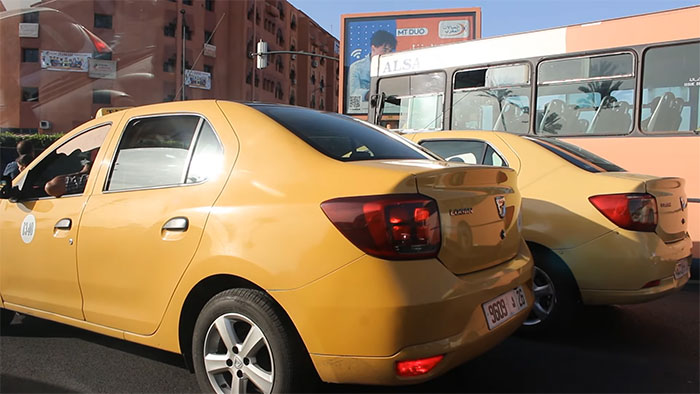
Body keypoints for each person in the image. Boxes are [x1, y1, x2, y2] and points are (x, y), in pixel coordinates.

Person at [347, 30, 396, 110]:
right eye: (385, 50)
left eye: (390, 51)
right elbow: (353, 95)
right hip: (364, 112)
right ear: (373, 48)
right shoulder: (356, 67)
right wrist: (370, 93)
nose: (387, 53)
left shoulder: (394, 68)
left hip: (390, 110)